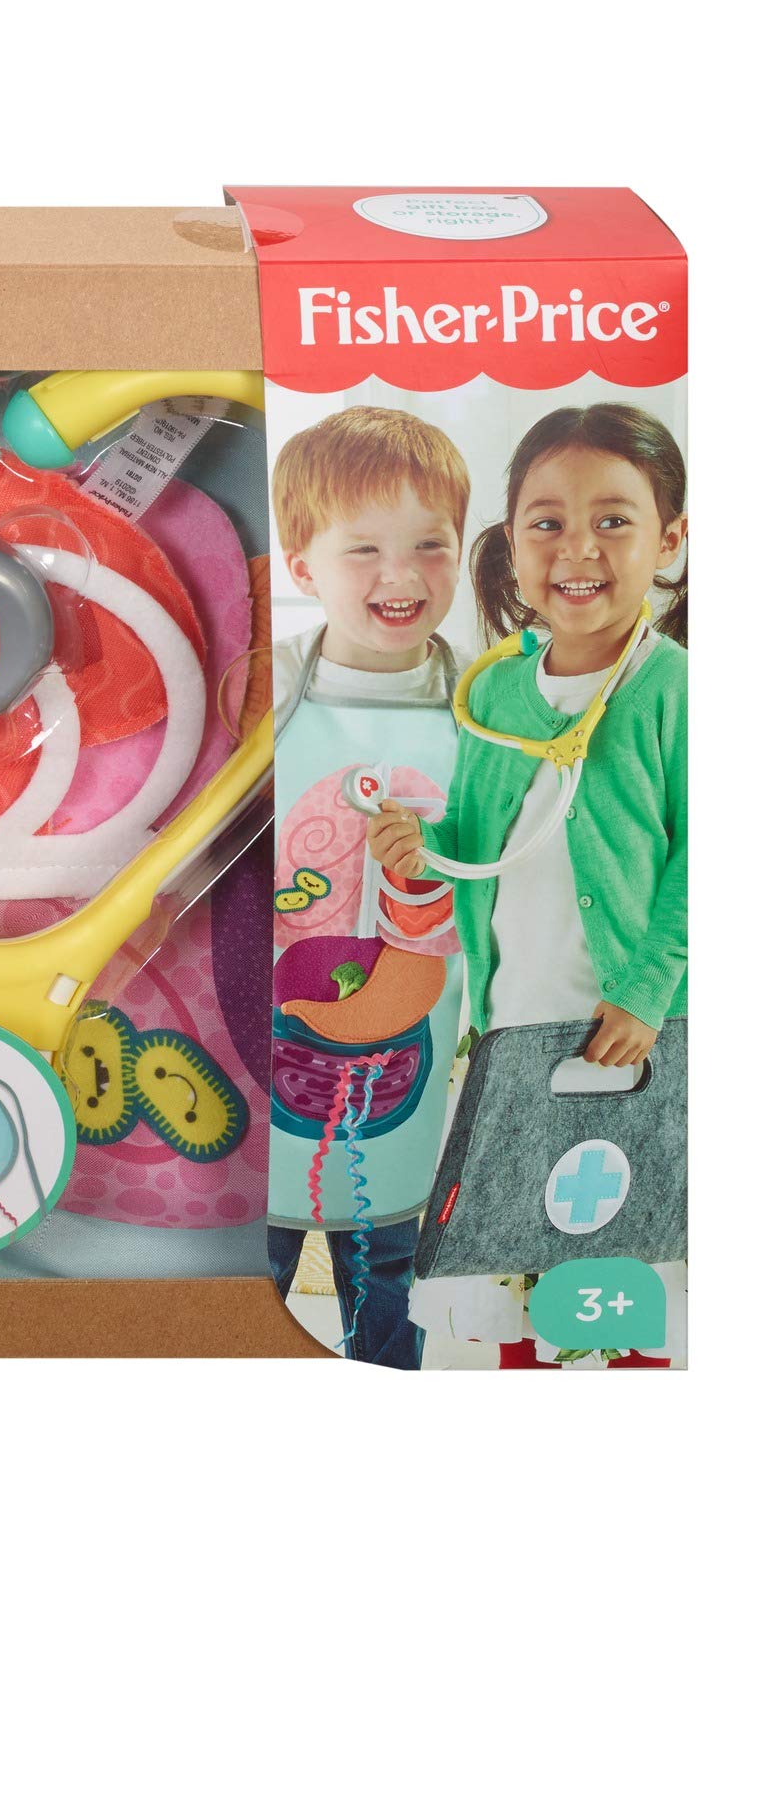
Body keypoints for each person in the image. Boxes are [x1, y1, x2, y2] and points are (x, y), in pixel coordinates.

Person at [369, 403, 688, 1366]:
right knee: (507, 1244)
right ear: (512, 544)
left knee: (623, 1239)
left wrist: (646, 991)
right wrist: (422, 847)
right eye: (547, 522)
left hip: (625, 1026)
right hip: (512, 1020)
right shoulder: (496, 689)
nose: (577, 548)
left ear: (670, 540)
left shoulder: (677, 690)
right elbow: (482, 837)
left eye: (613, 520)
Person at [267, 407, 471, 1366]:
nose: (403, 575)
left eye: (431, 544)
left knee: (388, 1273)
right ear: (303, 566)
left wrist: (428, 874)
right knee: (255, 1272)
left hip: (414, 1057)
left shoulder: (487, 714)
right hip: (271, 1038)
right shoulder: (259, 696)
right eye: (364, 550)